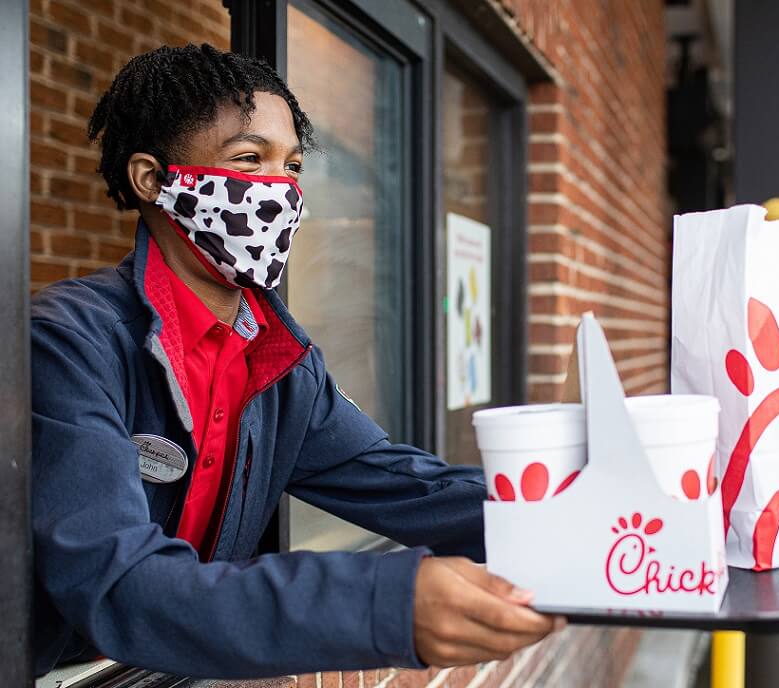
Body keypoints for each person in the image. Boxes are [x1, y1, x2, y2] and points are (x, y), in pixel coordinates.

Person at [32, 43, 562, 679]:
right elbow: (119, 584)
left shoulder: (278, 361)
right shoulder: (67, 342)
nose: (279, 191)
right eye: (250, 159)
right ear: (152, 179)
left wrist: (568, 521)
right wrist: (382, 603)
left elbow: (407, 487)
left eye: (292, 167)